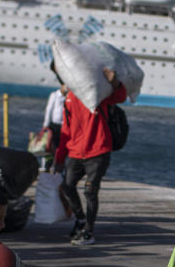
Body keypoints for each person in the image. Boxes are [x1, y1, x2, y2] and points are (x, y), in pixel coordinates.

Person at [52, 66, 126, 246]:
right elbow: (65, 131)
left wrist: (114, 82)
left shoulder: (97, 94)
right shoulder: (69, 98)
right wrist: (59, 158)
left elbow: (120, 97)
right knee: (67, 186)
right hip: (76, 152)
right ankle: (80, 218)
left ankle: (88, 231)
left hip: (98, 151)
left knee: (90, 191)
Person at [43, 62, 68, 165]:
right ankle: (47, 166)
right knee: (50, 146)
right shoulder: (54, 95)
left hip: (64, 126)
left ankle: (59, 165)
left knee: (61, 147)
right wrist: (46, 125)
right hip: (53, 125)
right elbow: (49, 110)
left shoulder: (69, 98)